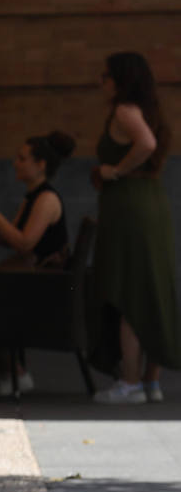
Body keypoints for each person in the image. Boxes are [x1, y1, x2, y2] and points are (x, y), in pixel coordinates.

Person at [89, 51, 179, 404]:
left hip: (129, 207)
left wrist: (116, 170)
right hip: (152, 203)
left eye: (106, 76)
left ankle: (129, 383)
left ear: (121, 80)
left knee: (128, 291)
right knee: (152, 289)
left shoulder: (125, 112)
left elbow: (147, 144)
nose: (102, 82)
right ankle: (150, 381)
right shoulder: (153, 112)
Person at [0, 130, 76, 396]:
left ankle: (15, 372)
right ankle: (6, 369)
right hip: (29, 281)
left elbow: (25, 243)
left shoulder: (47, 199)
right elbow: (12, 239)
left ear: (41, 165)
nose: (16, 163)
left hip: (44, 289)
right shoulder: (32, 197)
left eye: (22, 158)